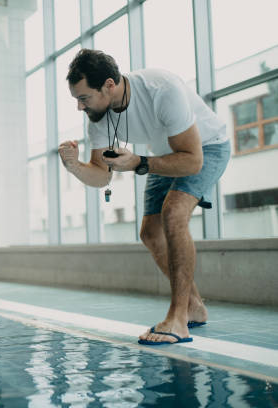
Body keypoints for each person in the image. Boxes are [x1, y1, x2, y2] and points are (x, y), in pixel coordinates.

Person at [58, 49, 230, 345]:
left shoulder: (161, 89)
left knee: (174, 215)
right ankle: (195, 307)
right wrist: (74, 166)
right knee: (150, 233)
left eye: (83, 98)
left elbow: (192, 161)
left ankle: (178, 320)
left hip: (207, 148)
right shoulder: (98, 117)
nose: (79, 106)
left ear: (109, 85)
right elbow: (102, 176)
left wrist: (139, 162)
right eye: (76, 99)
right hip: (164, 154)